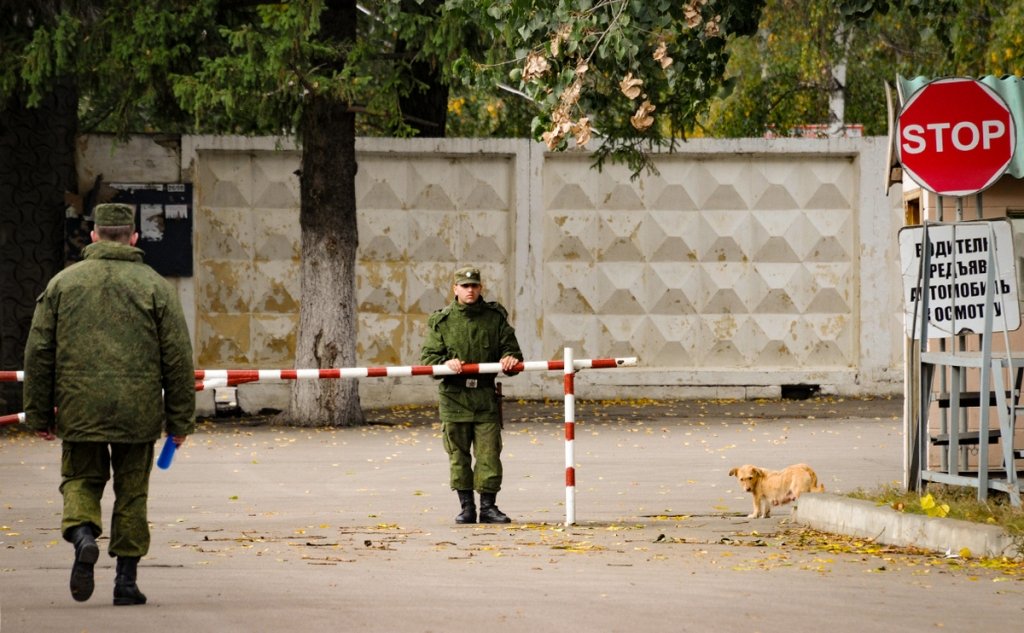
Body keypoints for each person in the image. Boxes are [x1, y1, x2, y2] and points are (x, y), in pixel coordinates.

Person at [23, 202, 195, 605]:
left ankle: (83, 535)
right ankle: (126, 583)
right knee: (132, 492)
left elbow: (39, 352)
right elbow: (178, 358)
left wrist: (37, 414)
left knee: (81, 480)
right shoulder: (156, 287)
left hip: (80, 408)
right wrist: (180, 421)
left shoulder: (63, 284)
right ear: (133, 238)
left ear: (94, 236)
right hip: (139, 413)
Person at [420, 266, 523, 524]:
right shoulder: (442, 322)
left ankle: (488, 507)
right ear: (455, 288)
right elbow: (428, 360)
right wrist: (446, 363)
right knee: (458, 456)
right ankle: (467, 508)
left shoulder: (494, 317)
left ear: (480, 288)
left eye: (474, 286)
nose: (470, 290)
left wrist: (510, 359)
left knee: (489, 454)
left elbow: (513, 352)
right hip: (454, 399)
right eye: (464, 286)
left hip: (485, 397)